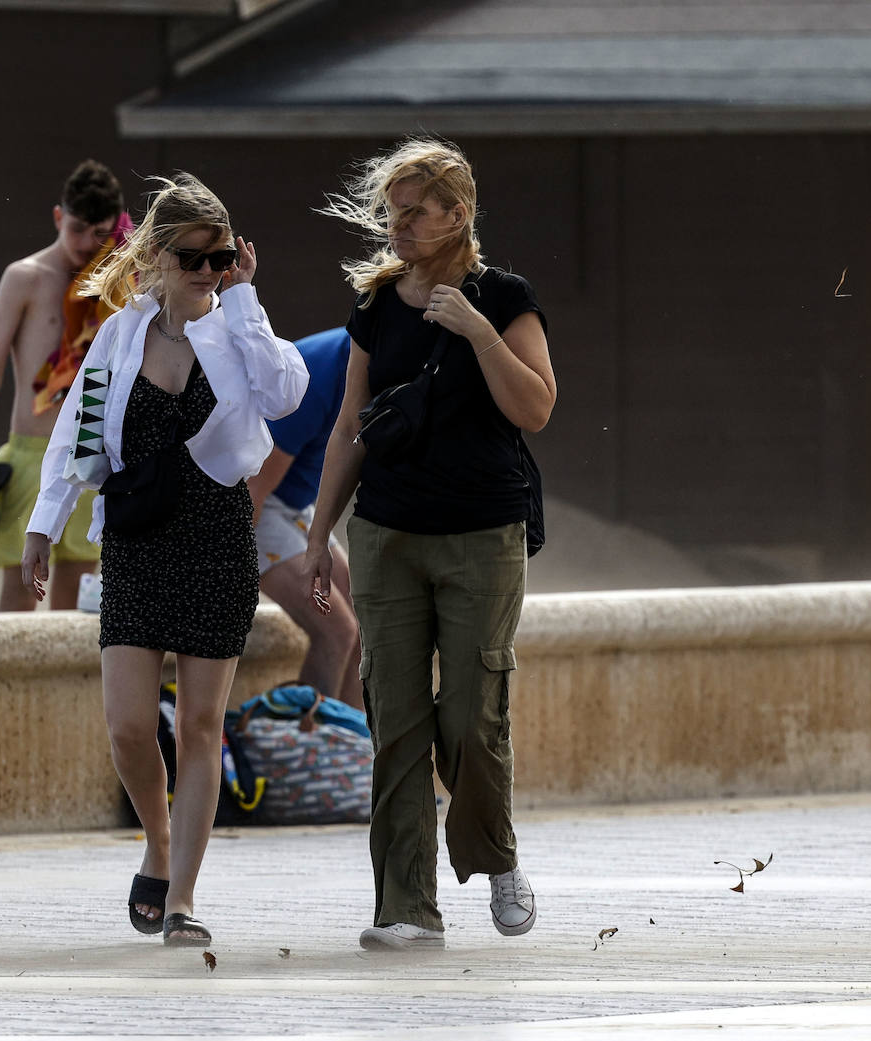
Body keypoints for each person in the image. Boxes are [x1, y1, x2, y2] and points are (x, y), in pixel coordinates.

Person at [21, 174, 307, 946]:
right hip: (138, 540)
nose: (210, 272)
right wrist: (46, 523)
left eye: (222, 258)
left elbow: (287, 394)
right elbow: (79, 436)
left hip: (215, 537)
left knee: (202, 726)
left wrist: (244, 301)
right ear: (155, 254)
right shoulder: (119, 334)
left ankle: (182, 897)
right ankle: (157, 837)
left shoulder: (238, 326)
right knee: (126, 726)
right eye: (195, 259)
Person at [305, 138, 556, 951]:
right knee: (397, 717)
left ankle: (496, 853)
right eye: (393, 212)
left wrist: (479, 332)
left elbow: (537, 408)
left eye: (414, 211)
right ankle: (405, 905)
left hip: (484, 533)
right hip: (387, 532)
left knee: (473, 712)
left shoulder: (505, 297)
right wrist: (318, 532)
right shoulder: (379, 304)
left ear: (458, 213)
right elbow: (350, 425)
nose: (398, 225)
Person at [0, 159, 130, 611]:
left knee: (74, 607)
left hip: (90, 456)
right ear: (57, 217)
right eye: (77, 229)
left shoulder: (120, 282)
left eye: (100, 233)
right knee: (20, 599)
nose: (88, 244)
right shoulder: (24, 277)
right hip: (31, 453)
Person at [245, 328, 362, 710]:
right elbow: (252, 490)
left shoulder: (386, 359)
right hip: (252, 499)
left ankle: (352, 746)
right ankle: (313, 750)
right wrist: (224, 581)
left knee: (367, 616)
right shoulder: (321, 371)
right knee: (337, 630)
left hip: (296, 502)